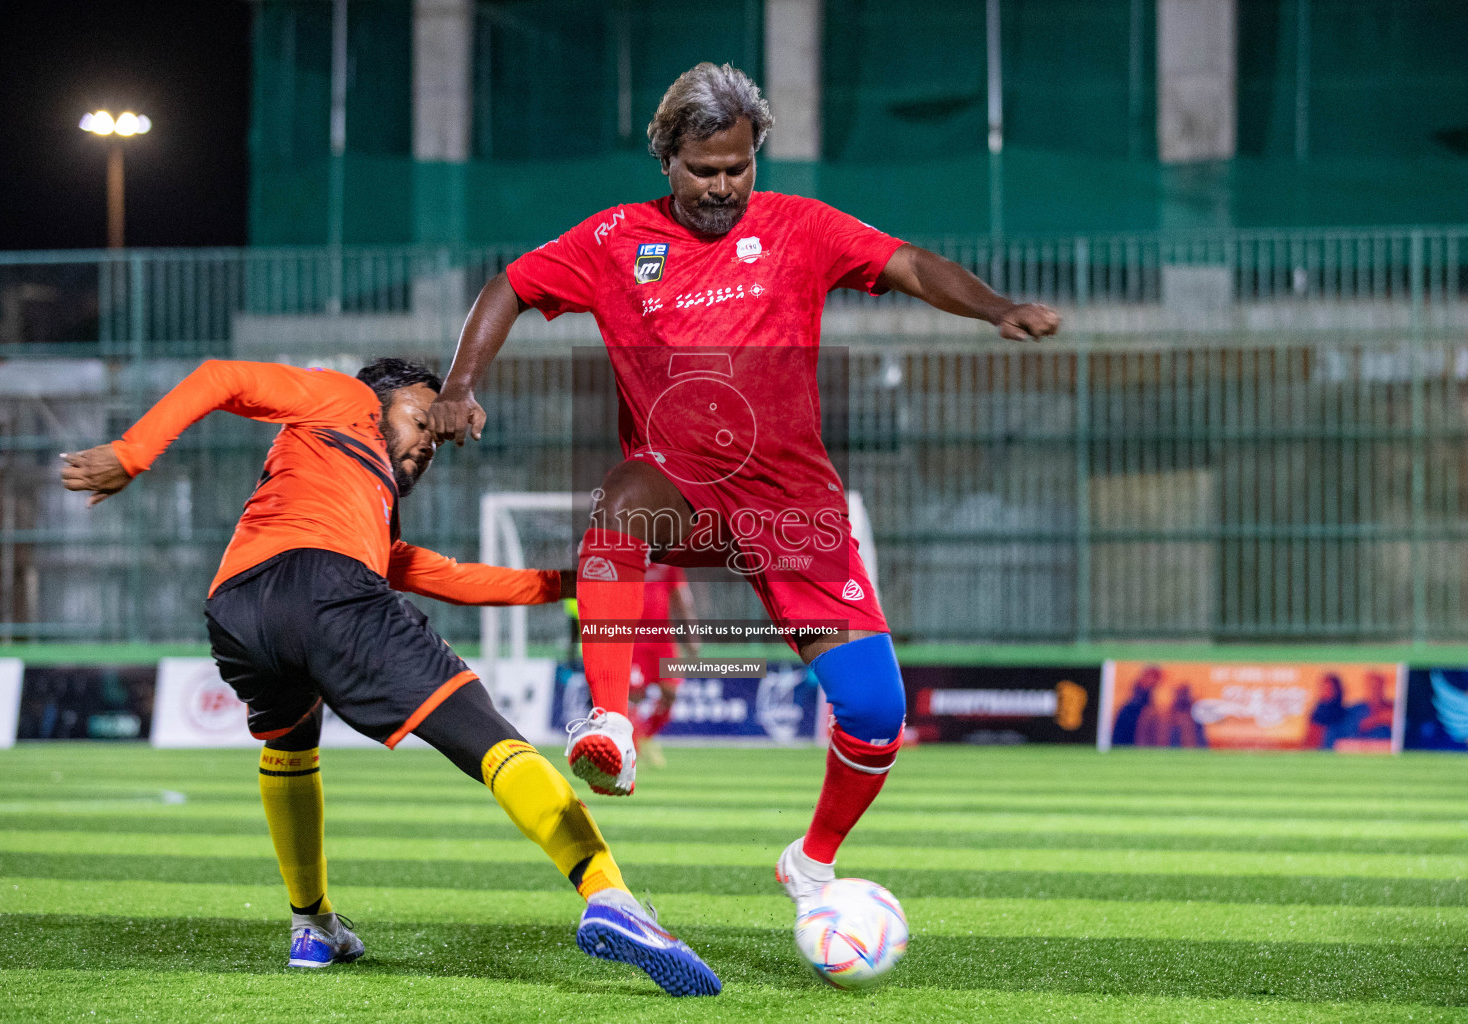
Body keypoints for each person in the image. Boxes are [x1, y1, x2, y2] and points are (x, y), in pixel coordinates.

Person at [426, 62, 1059, 921]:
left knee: (875, 711)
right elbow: (510, 285)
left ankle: (812, 863)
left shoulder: (800, 227)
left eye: (738, 167)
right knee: (621, 504)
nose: (723, 186)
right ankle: (608, 721)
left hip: (791, 505)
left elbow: (907, 262)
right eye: (703, 170)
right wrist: (460, 385)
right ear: (666, 160)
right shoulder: (615, 241)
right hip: (681, 487)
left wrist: (993, 307)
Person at [59, 357, 719, 997]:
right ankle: (608, 895)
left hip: (237, 613)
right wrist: (133, 451)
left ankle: (312, 924)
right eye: (424, 413)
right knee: (484, 731)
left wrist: (578, 582)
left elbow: (448, 577)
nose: (432, 438)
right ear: (381, 395)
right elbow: (223, 377)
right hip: (325, 585)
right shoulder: (341, 397)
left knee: (291, 737)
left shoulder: (351, 496)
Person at [629, 562, 699, 765]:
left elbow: (682, 601)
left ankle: (645, 736)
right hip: (635, 639)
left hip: (662, 640)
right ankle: (631, 749)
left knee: (671, 693)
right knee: (634, 697)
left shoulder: (668, 565)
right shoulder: (627, 561)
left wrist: (691, 635)